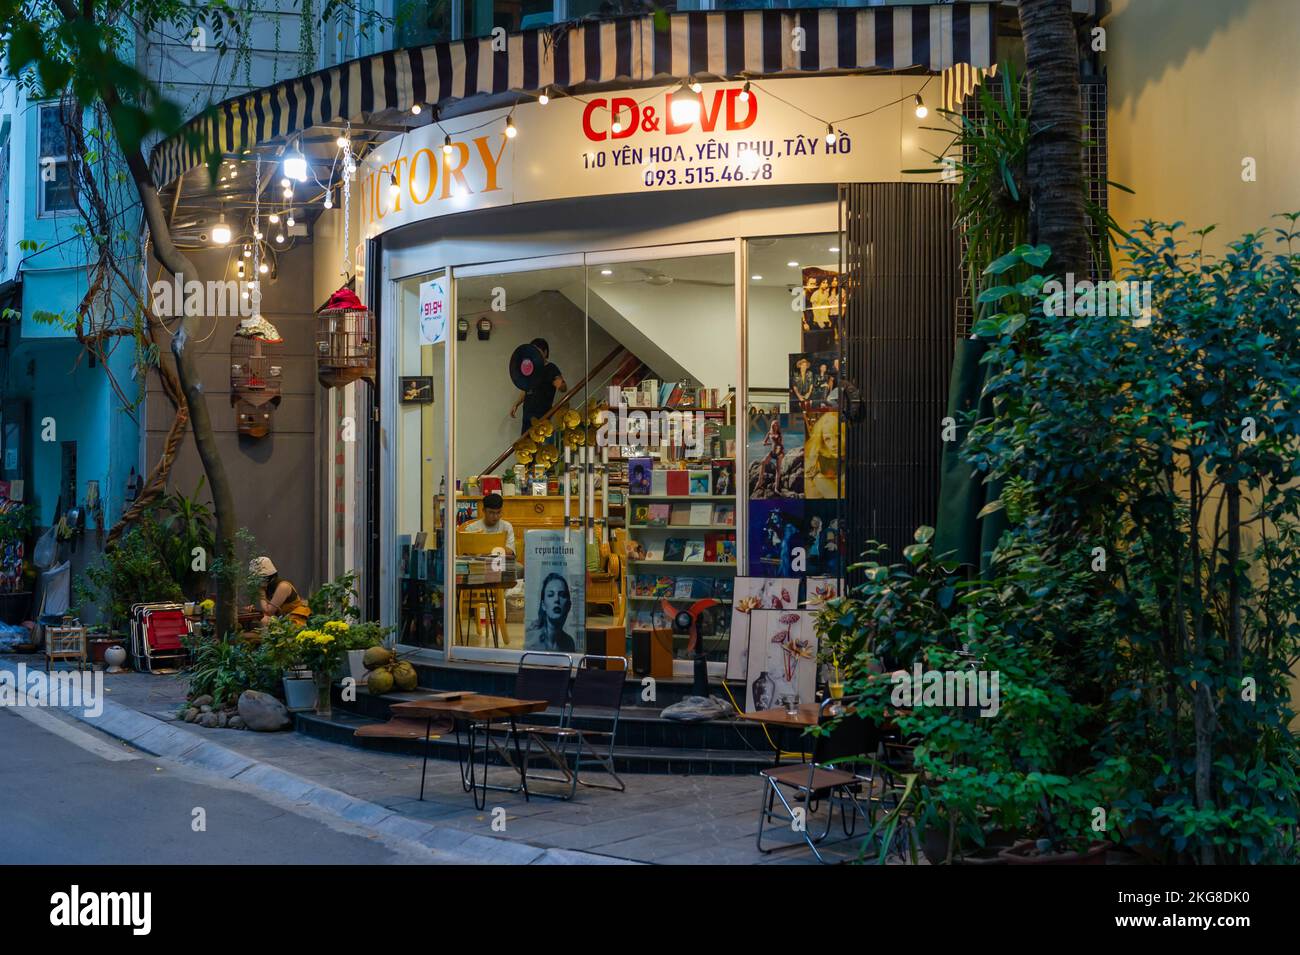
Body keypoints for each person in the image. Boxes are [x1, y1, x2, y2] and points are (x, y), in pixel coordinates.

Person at [510, 337, 567, 434]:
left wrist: (560, 384)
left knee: (539, 444)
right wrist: (517, 404)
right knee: (525, 445)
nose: (534, 354)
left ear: (545, 352)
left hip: (542, 416)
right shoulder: (531, 368)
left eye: (537, 351)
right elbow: (525, 388)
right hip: (527, 413)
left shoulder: (551, 368)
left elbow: (563, 388)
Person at [249, 556, 310, 627]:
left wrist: (261, 591)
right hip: (283, 619)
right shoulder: (269, 588)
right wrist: (253, 608)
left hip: (295, 620)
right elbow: (267, 607)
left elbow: (269, 611)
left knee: (265, 621)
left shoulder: (283, 587)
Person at [526, 572, 576, 652]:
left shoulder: (569, 643)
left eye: (562, 595)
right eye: (550, 595)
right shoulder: (531, 642)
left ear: (568, 605)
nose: (556, 599)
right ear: (543, 605)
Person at [461, 492, 516, 557]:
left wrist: (483, 552)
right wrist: (498, 550)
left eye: (498, 512)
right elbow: (466, 553)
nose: (495, 516)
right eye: (491, 512)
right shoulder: (471, 528)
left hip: (500, 564)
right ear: (483, 510)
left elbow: (510, 551)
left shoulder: (507, 526)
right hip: (478, 565)